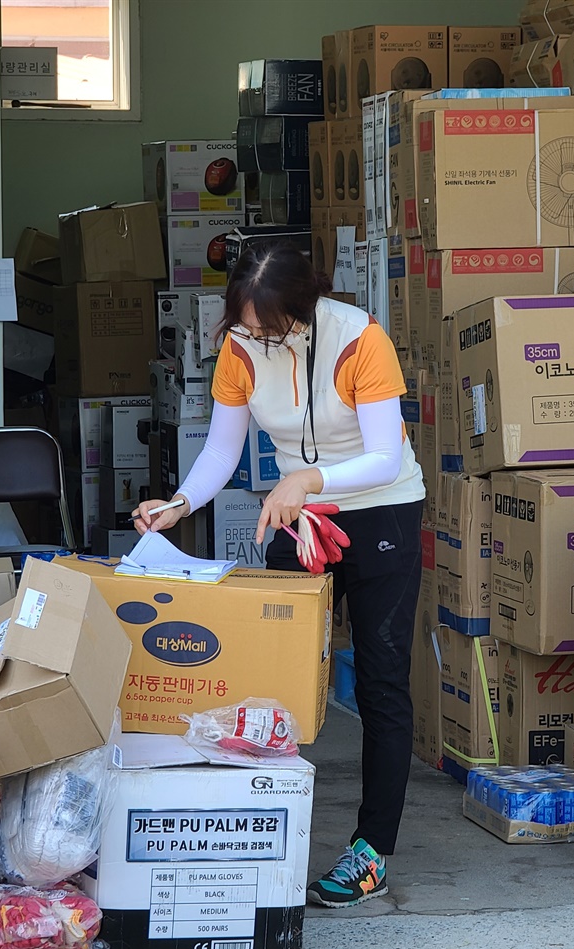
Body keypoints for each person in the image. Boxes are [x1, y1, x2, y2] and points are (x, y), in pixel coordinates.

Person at [133, 242, 425, 909]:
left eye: (271, 330)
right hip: (303, 516)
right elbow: (222, 448)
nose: (255, 340)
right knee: (273, 678)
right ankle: (261, 829)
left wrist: (307, 476)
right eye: (244, 327)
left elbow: (384, 456)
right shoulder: (239, 349)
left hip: (382, 514)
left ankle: (372, 851)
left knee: (381, 678)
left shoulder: (360, 341)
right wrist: (179, 504)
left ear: (305, 310)